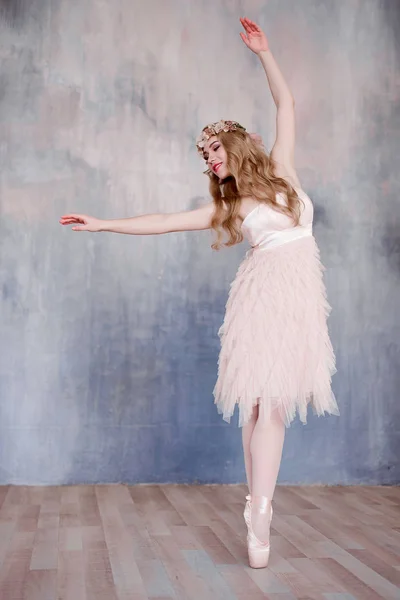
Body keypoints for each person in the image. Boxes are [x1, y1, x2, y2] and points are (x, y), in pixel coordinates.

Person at [60, 17, 339, 569]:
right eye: (204, 156)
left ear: (236, 147)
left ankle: (261, 510)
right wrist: (104, 223)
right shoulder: (229, 206)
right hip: (262, 296)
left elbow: (285, 105)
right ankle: (257, 510)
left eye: (212, 150)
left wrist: (264, 53)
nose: (208, 161)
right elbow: (164, 220)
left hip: (301, 296)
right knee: (259, 402)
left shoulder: (282, 172)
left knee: (276, 406)